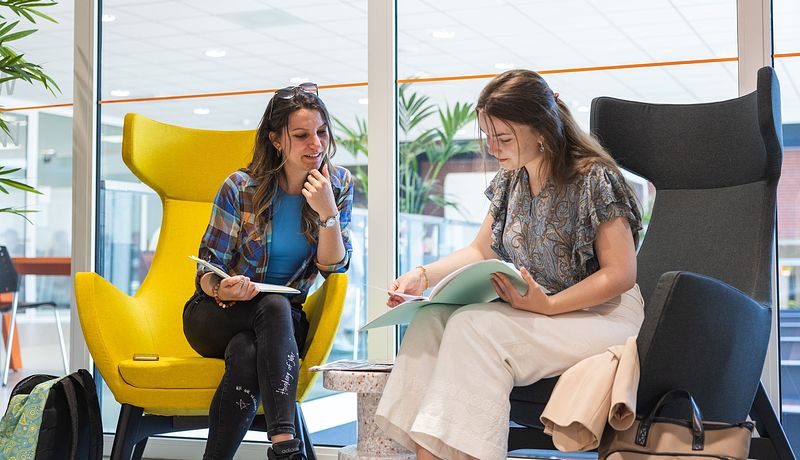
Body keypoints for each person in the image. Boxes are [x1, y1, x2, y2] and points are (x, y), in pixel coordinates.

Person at [375, 69, 645, 460]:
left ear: (541, 129)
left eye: (502, 138)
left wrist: (548, 305)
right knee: (431, 320)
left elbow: (621, 274)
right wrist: (421, 277)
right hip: (543, 312)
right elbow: (483, 251)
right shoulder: (512, 178)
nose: (492, 148)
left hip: (604, 316)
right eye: (487, 137)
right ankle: (424, 454)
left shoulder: (594, 178)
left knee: (475, 328)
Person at [183, 82, 353, 460]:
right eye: (302, 135)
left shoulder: (337, 185)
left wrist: (328, 212)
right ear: (276, 139)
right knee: (272, 306)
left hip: (281, 324)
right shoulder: (241, 188)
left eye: (321, 132)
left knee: (247, 352)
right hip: (216, 312)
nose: (316, 144)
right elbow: (206, 271)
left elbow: (334, 266)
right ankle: (285, 446)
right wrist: (223, 289)